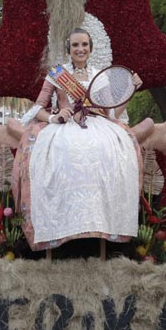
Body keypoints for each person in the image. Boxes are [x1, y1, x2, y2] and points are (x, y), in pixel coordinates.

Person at [13, 28, 143, 256]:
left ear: (91, 49)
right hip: (65, 126)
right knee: (60, 154)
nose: (80, 49)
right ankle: (58, 226)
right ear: (69, 49)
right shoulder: (57, 74)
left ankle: (102, 223)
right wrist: (55, 117)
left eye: (84, 45)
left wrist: (131, 90)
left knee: (112, 151)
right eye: (75, 45)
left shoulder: (99, 77)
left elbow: (111, 114)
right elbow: (36, 109)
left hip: (97, 125)